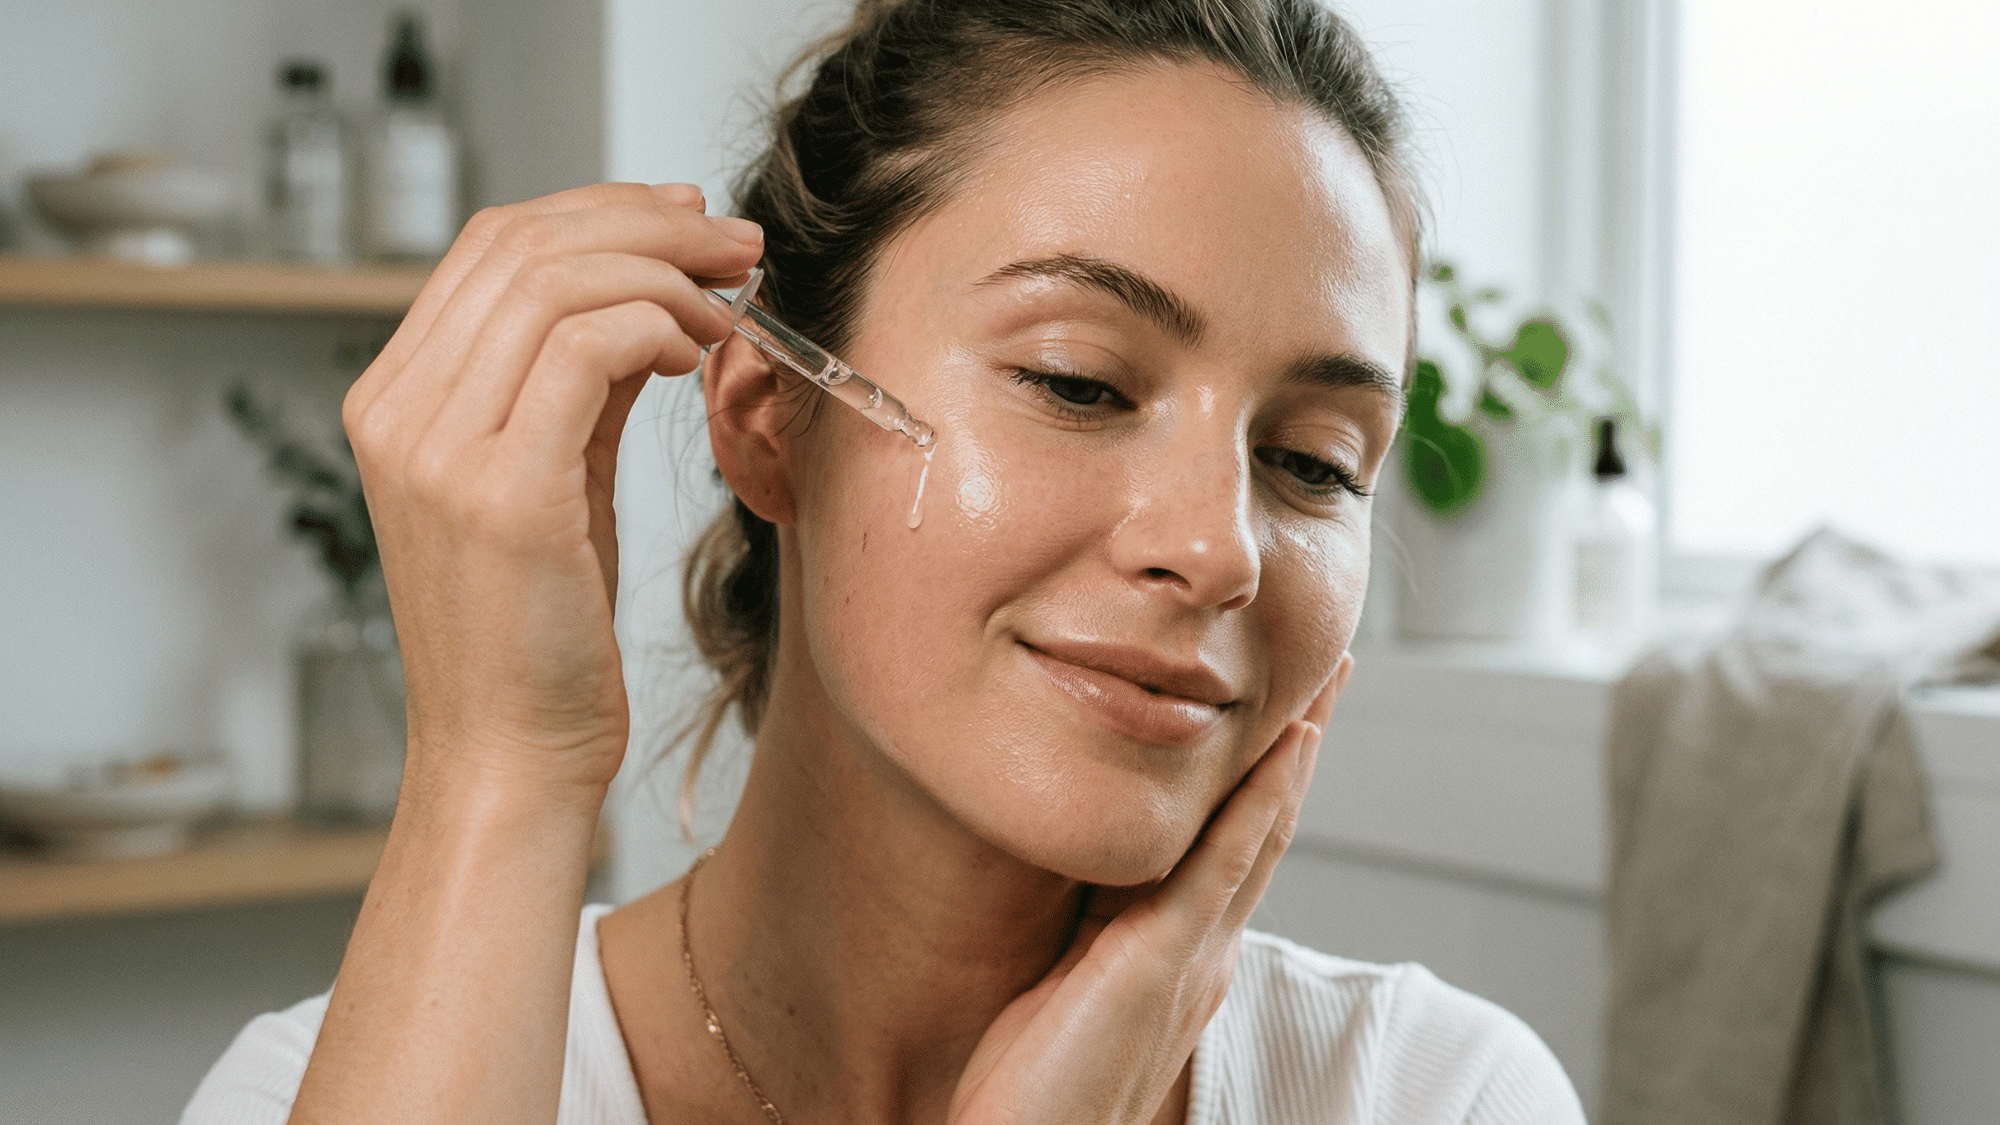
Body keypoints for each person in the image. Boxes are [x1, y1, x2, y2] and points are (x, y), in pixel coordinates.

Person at [185, 1, 1586, 1122]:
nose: (1215, 549)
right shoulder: (325, 1092)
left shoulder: (1435, 1094)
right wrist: (499, 760)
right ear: (769, 419)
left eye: (1314, 462)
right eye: (1080, 382)